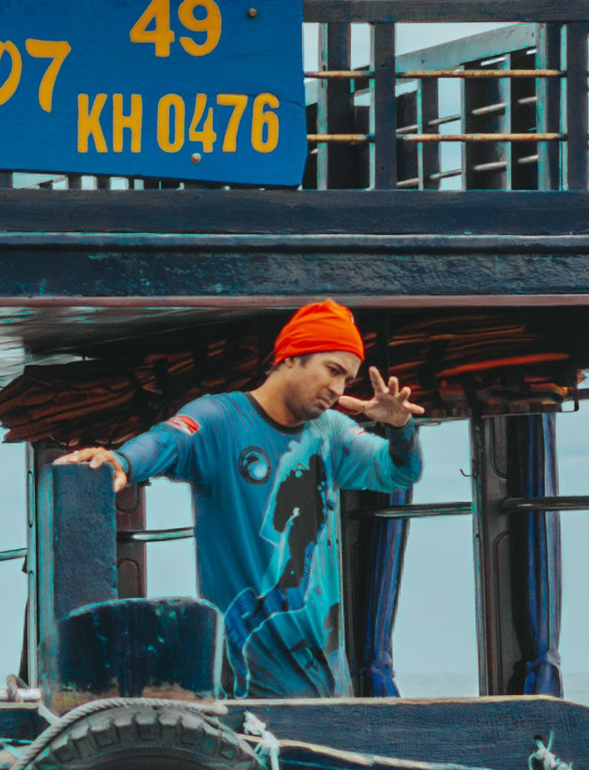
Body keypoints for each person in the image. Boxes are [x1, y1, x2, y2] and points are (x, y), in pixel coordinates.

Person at [59, 299, 424, 697]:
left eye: (346, 380)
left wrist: (401, 427)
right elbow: (169, 440)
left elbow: (400, 471)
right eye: (332, 370)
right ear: (290, 358)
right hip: (251, 694)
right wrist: (123, 461)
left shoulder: (331, 431)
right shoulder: (221, 419)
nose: (337, 390)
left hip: (332, 691)